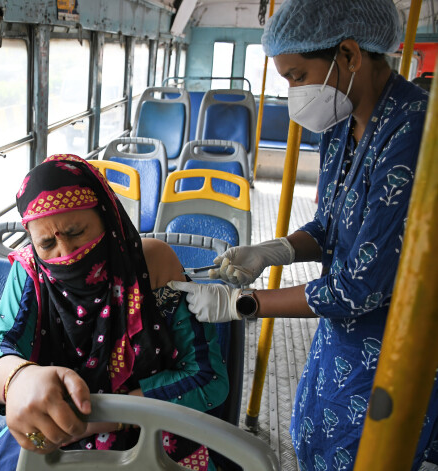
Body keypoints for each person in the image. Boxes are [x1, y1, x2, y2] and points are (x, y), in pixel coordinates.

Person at [169, 0, 438, 469]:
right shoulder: (341, 125)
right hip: (340, 335)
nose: (294, 92)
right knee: (315, 437)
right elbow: (331, 224)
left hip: (394, 343)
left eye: (297, 76)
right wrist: (276, 250)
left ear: (350, 56)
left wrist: (244, 304)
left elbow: (360, 287)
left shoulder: (414, 134)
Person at [0, 154, 229, 470]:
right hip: (58, 433)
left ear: (107, 217)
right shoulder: (31, 273)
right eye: (47, 243)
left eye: (77, 232)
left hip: (154, 433)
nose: (66, 254)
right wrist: (19, 378)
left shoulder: (152, 266)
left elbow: (208, 378)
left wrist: (110, 416)